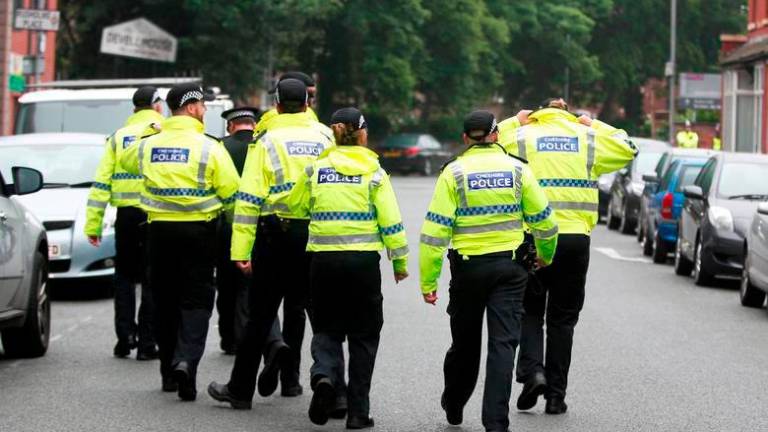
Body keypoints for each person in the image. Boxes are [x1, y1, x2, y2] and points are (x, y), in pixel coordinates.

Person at [420, 110, 558, 432]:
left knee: (464, 345)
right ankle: (495, 423)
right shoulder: (518, 171)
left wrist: (428, 281)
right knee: (503, 346)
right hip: (510, 270)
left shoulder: (452, 174)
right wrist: (545, 257)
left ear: (465, 139)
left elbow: (434, 233)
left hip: (468, 271)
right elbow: (547, 224)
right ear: (496, 135)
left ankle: (454, 402)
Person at [498, 98, 637, 414]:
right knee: (562, 319)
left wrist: (514, 121)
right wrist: (593, 124)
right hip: (575, 240)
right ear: (568, 112)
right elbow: (629, 148)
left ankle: (532, 372)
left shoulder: (521, 136)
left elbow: (484, 140)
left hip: (532, 236)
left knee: (529, 309)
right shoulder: (587, 139)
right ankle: (556, 397)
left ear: (540, 113)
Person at [207, 78, 335, 409]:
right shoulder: (326, 137)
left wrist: (240, 251)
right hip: (316, 235)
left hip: (274, 237)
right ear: (307, 103)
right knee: (310, 313)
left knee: (260, 315)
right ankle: (305, 385)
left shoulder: (266, 141)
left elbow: (249, 200)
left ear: (276, 105)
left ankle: (240, 390)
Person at [286, 107, 408, 429]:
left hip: (323, 262)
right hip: (362, 264)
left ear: (334, 133)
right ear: (363, 133)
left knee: (326, 328)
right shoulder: (375, 173)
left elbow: (295, 206)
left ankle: (324, 375)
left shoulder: (316, 169)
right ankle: (357, 413)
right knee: (364, 337)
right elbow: (391, 222)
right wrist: (399, 262)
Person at [121, 83, 240, 401]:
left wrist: (153, 128)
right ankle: (186, 363)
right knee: (197, 302)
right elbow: (232, 195)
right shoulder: (210, 147)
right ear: (190, 108)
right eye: (202, 105)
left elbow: (125, 161)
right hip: (200, 236)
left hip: (159, 234)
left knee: (164, 301)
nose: (204, 111)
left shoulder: (148, 145)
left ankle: (168, 375)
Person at [85, 86, 164, 360]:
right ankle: (147, 344)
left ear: (134, 110)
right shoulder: (163, 132)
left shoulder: (118, 137)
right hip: (155, 215)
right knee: (151, 278)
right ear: (156, 107)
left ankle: (124, 338)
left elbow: (101, 183)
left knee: (124, 277)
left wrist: (93, 225)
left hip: (126, 217)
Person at [216, 106, 290, 397]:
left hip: (233, 227)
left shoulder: (223, 147)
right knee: (264, 296)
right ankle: (281, 351)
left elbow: (239, 197)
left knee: (233, 291)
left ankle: (232, 343)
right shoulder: (273, 143)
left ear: (231, 125)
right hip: (279, 230)